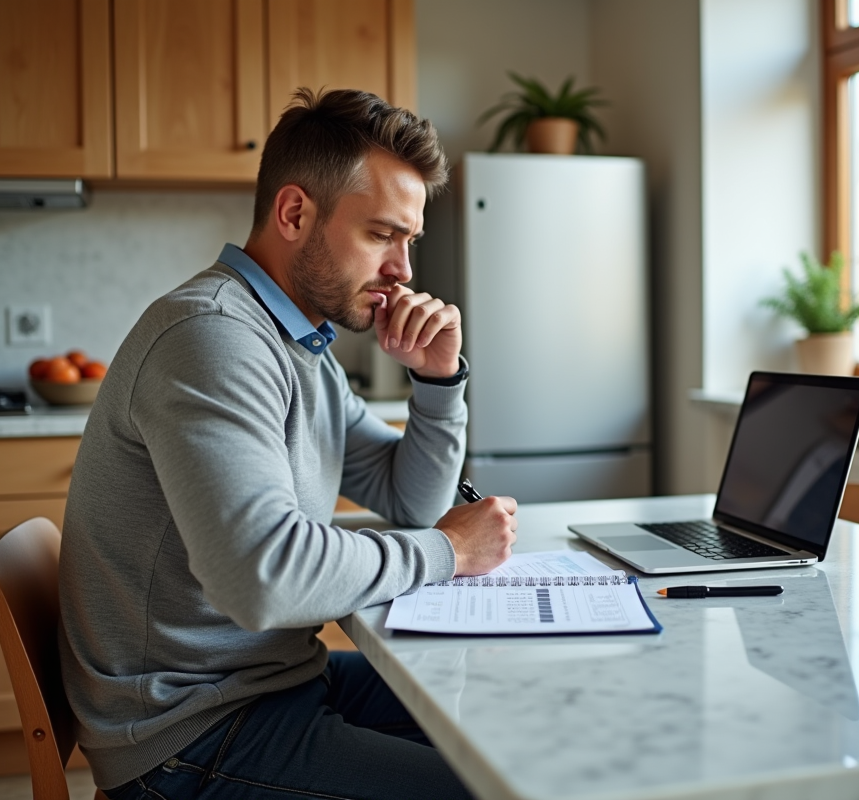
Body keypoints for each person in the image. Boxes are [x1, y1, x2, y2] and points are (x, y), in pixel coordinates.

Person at [58, 88, 519, 800]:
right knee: (497, 789)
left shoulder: (300, 346)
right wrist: (452, 552)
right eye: (381, 235)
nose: (403, 269)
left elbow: (409, 499)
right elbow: (263, 577)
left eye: (409, 241)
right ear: (296, 213)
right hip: (189, 733)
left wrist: (438, 381)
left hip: (273, 684)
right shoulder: (212, 339)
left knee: (508, 716)